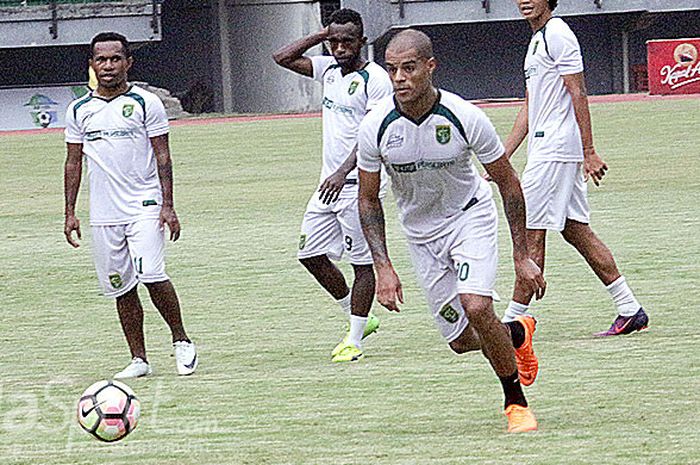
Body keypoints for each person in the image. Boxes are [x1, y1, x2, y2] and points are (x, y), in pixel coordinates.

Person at [357, 29, 546, 433]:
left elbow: (509, 183)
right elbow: (369, 200)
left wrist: (521, 254)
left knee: (476, 306)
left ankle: (515, 402)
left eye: (409, 68)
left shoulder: (465, 116)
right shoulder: (375, 126)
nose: (399, 78)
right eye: (392, 69)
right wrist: (383, 267)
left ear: (430, 66)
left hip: (469, 218)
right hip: (421, 236)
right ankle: (514, 333)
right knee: (461, 340)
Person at [501, 0, 649, 336]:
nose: (524, 0)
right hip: (547, 148)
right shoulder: (537, 39)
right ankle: (630, 309)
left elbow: (578, 90)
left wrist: (590, 151)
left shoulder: (559, 34)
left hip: (555, 149)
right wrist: (503, 156)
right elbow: (530, 105)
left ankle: (511, 324)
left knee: (530, 235)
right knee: (575, 230)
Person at [64, 32, 197, 378]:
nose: (108, 66)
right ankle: (139, 359)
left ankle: (181, 340)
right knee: (121, 286)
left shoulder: (145, 103)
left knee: (152, 273)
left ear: (128, 62)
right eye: (102, 60)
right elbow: (73, 163)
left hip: (145, 205)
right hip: (104, 214)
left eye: (115, 59)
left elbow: (163, 157)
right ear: (92, 64)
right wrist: (69, 213)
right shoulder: (80, 109)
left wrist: (168, 205)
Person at [272, 9, 393, 362]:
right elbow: (282, 57)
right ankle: (358, 317)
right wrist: (321, 34)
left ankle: (355, 339)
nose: (340, 48)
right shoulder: (328, 70)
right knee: (309, 254)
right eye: (335, 41)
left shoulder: (376, 80)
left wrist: (342, 172)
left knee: (361, 264)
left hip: (359, 183)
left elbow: (373, 134)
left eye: (347, 41)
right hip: (329, 184)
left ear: (362, 42)